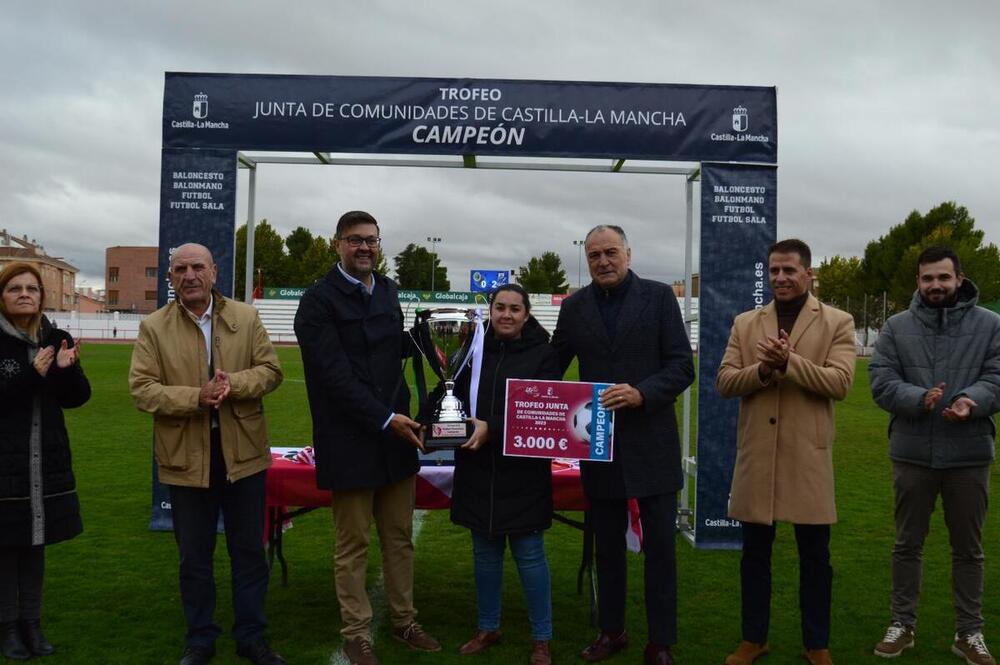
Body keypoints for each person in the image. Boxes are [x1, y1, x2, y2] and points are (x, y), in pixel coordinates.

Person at [293, 210, 440, 665]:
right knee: (352, 543)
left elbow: (387, 347)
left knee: (399, 537)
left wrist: (431, 338)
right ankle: (356, 632)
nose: (364, 248)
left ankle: (403, 620)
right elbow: (335, 376)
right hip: (352, 437)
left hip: (396, 434)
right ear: (336, 243)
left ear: (379, 245)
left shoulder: (389, 290)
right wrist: (384, 418)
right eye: (355, 240)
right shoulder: (317, 302)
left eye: (371, 241)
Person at [129, 243, 285, 665]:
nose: (190, 275)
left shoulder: (246, 317)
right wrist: (196, 396)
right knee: (194, 558)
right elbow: (142, 390)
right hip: (185, 460)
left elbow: (271, 371)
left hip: (244, 455)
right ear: (171, 277)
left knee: (249, 554)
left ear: (215, 272)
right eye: (180, 269)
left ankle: (251, 637)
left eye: (198, 267)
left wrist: (233, 383)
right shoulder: (153, 327)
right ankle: (200, 639)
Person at [551, 225, 694, 665]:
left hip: (652, 443)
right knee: (607, 548)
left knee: (660, 554)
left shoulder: (658, 297)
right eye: (594, 255)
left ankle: (661, 643)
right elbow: (552, 366)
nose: (602, 261)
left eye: (610, 252)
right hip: (600, 448)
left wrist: (642, 393)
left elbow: (681, 366)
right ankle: (612, 631)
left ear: (628, 254)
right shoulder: (574, 307)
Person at [716, 239, 855, 665]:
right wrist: (762, 370)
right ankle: (753, 638)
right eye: (774, 270)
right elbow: (724, 381)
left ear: (809, 274)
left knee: (815, 557)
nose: (780, 278)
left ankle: (817, 643)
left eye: (789, 270)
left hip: (807, 458)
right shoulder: (745, 322)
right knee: (754, 556)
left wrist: (789, 362)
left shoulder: (838, 322)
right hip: (758, 456)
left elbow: (841, 383)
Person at [869, 245, 1000, 664]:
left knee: (969, 550)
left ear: (960, 279)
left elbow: (998, 376)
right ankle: (902, 624)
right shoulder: (896, 326)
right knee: (907, 545)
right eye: (928, 278)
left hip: (969, 455)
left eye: (944, 277)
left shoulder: (990, 325)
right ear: (918, 282)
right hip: (912, 454)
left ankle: (969, 632)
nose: (936, 285)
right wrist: (919, 398)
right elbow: (882, 381)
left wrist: (970, 400)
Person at [431, 285, 561, 665]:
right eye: (500, 307)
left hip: (523, 474)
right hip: (477, 469)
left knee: (530, 556)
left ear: (526, 314)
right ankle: (488, 627)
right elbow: (447, 391)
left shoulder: (544, 354)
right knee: (484, 557)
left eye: (515, 309)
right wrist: (432, 425)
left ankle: (542, 638)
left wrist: (494, 429)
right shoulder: (471, 350)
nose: (506, 315)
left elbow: (545, 413)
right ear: (490, 311)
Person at [0, 262, 90, 660]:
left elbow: (77, 398)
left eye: (31, 288)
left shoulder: (57, 338)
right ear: (2, 297)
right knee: (5, 544)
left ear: (41, 296)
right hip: (6, 462)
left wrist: (65, 373)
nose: (24, 294)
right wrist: (31, 375)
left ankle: (32, 624)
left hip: (45, 459)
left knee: (36, 543)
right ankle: (7, 628)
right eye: (14, 288)